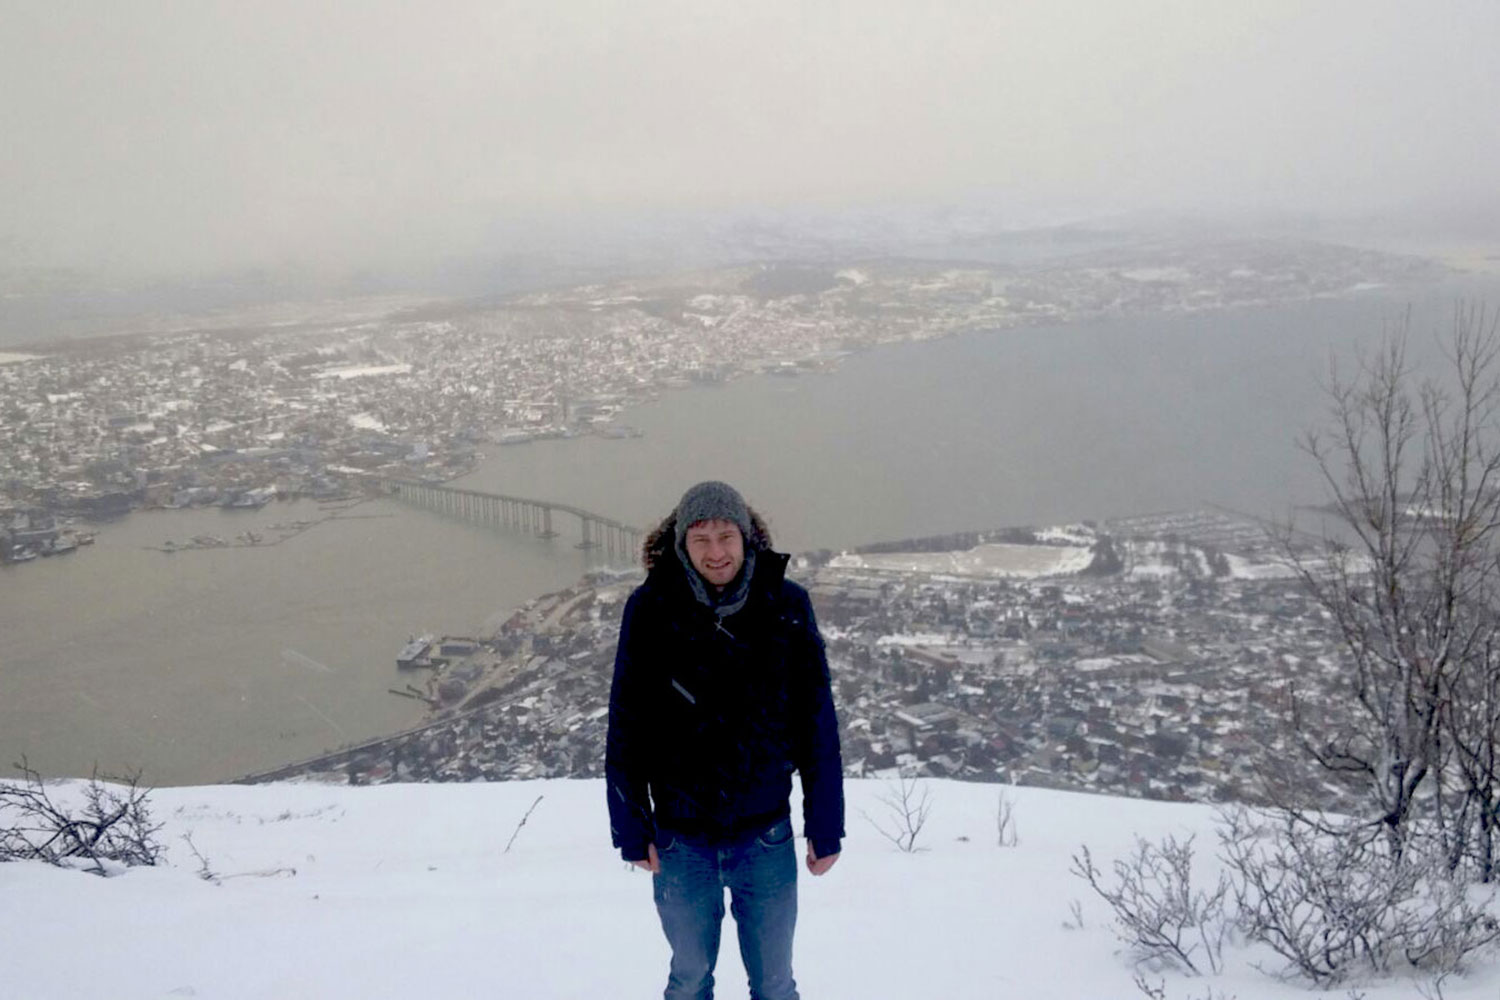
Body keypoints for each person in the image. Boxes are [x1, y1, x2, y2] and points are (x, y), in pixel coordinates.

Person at [606, 480, 844, 1000]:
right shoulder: (650, 610)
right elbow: (627, 724)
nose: (716, 552)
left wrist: (825, 825)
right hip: (680, 840)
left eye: (725, 536)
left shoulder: (786, 605)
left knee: (775, 985)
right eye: (701, 540)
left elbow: (815, 723)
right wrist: (630, 823)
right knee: (689, 981)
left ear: (746, 536)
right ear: (681, 546)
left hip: (766, 835)